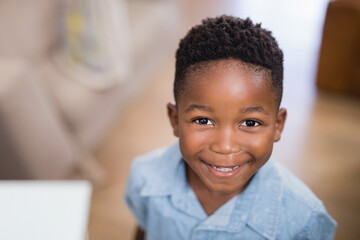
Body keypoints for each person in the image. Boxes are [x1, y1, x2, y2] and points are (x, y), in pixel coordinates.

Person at [125, 15, 337, 240]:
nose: (225, 146)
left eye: (250, 123)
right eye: (203, 120)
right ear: (174, 119)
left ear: (278, 125)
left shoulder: (303, 220)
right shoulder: (146, 179)